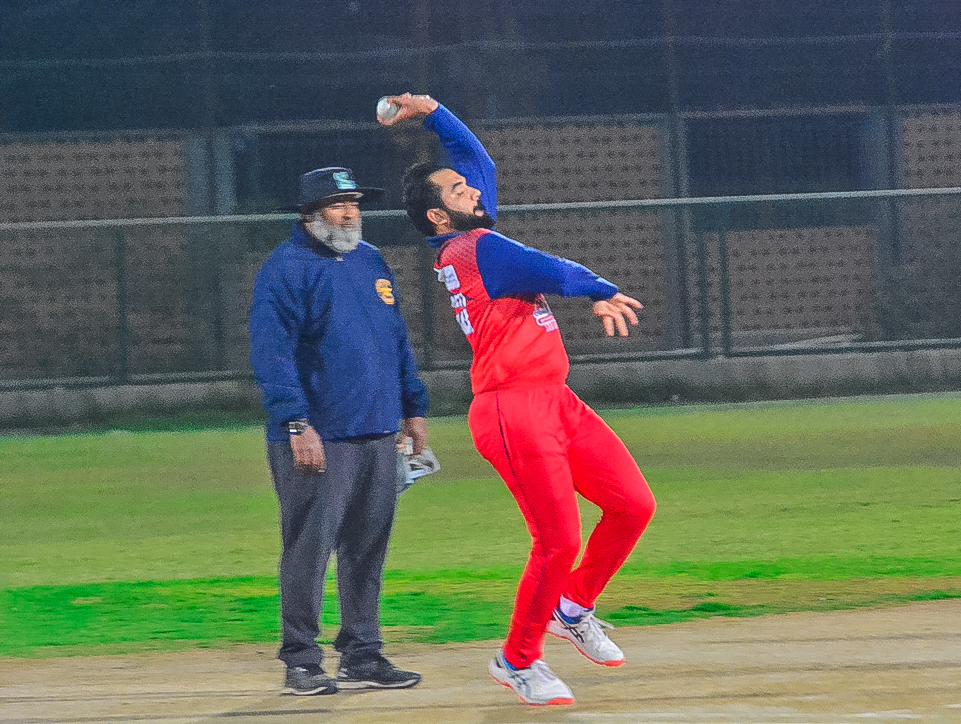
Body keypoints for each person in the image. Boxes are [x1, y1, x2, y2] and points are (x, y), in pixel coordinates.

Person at [379, 93, 656, 707]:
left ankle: (572, 606)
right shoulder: (475, 248)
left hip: (554, 400)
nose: (473, 190)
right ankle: (517, 659)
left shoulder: (472, 239)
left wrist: (434, 111)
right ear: (438, 217)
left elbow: (480, 164)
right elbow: (548, 267)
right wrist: (600, 289)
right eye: (458, 192)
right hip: (511, 409)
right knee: (557, 541)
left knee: (633, 505)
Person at [249, 167, 430, 696]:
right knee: (309, 548)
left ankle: (362, 653)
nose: (350, 213)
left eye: (354, 203)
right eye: (337, 205)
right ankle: (301, 660)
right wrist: (296, 422)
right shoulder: (286, 267)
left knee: (367, 548)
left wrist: (413, 408)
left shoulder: (370, 259)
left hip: (377, 429)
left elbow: (396, 339)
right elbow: (273, 352)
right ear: (310, 214)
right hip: (319, 434)